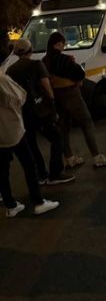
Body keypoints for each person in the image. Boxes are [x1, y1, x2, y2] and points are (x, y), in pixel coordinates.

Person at [43, 33, 106, 168]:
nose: (64, 47)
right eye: (63, 44)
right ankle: (97, 156)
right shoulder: (64, 59)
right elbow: (80, 73)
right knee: (86, 122)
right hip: (71, 94)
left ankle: (69, 158)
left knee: (64, 127)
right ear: (57, 44)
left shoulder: (45, 60)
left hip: (56, 95)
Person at [7, 39, 74, 185]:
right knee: (57, 138)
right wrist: (53, 105)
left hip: (23, 112)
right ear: (30, 50)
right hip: (40, 110)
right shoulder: (36, 64)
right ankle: (55, 173)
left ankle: (41, 174)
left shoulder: (10, 70)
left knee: (32, 144)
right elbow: (46, 86)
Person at [0, 73, 60, 216]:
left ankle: (11, 205)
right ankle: (38, 202)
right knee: (29, 165)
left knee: (2, 170)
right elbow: (20, 97)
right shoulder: (2, 78)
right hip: (11, 128)